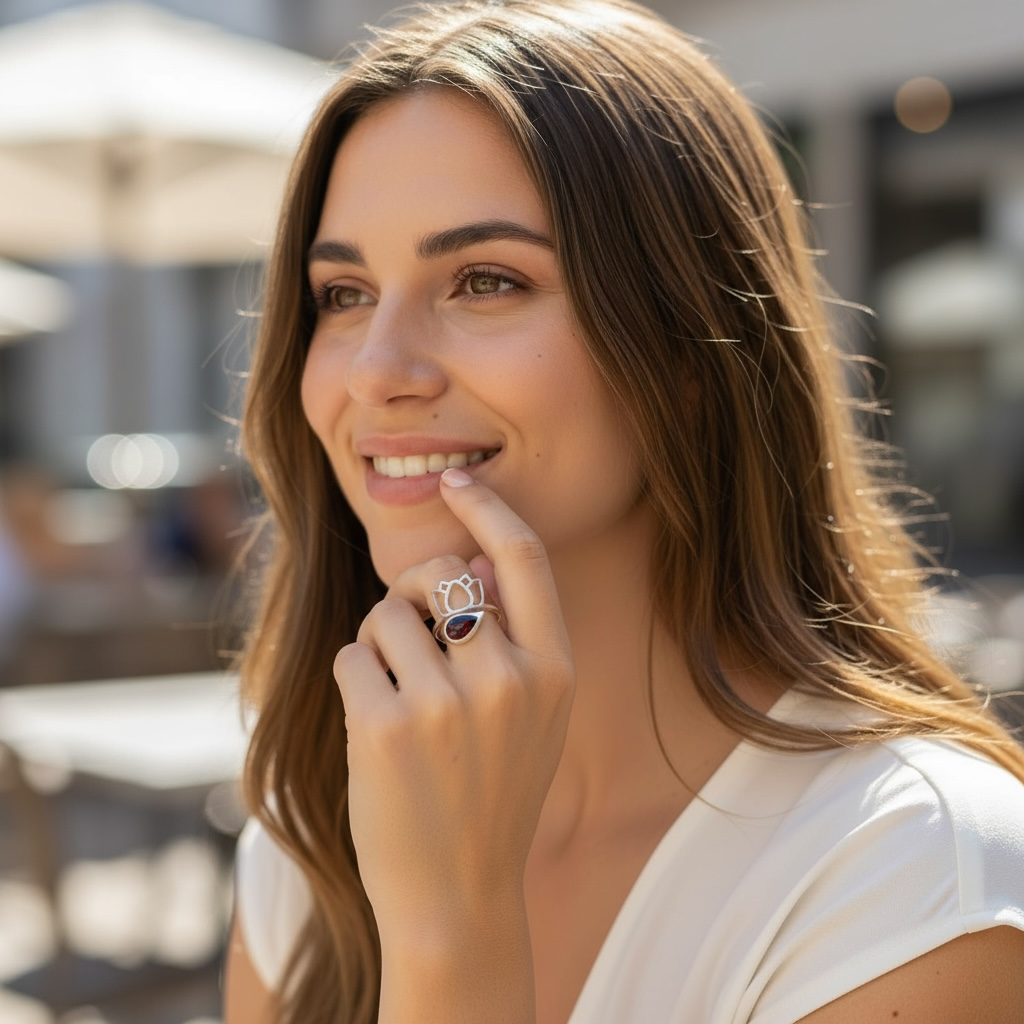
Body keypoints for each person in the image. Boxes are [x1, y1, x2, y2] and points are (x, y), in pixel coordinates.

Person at [223, 2, 1024, 1021]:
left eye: (484, 281)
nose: (375, 372)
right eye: (342, 294)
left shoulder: (911, 878)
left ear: (692, 350)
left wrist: (449, 936)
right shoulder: (313, 829)